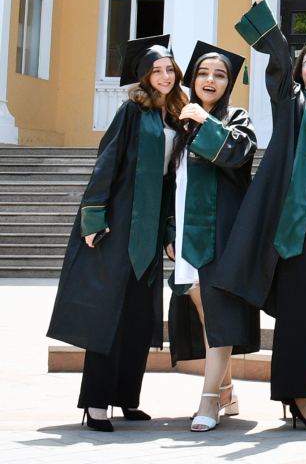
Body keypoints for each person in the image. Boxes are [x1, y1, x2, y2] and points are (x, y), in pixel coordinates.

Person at [214, 0, 306, 432]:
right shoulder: (290, 105)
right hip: (294, 224)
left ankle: (296, 394)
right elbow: (277, 55)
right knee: (298, 310)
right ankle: (301, 398)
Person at [48, 37, 183, 432]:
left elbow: (172, 182)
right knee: (110, 315)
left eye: (170, 70)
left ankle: (127, 398)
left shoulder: (173, 118)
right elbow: (105, 162)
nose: (164, 76)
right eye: (156, 70)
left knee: (139, 318)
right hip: (120, 225)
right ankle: (95, 404)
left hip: (151, 226)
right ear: (144, 76)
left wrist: (170, 230)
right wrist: (93, 217)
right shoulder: (131, 112)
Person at [166, 42, 259, 432]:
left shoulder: (236, 118)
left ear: (228, 84)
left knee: (217, 313)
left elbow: (237, 154)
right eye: (203, 73)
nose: (210, 80)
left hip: (221, 233)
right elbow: (173, 182)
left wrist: (206, 120)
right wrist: (171, 231)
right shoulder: (180, 125)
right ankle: (228, 390)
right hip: (189, 233)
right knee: (204, 310)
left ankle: (208, 402)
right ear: (192, 79)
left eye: (219, 75)